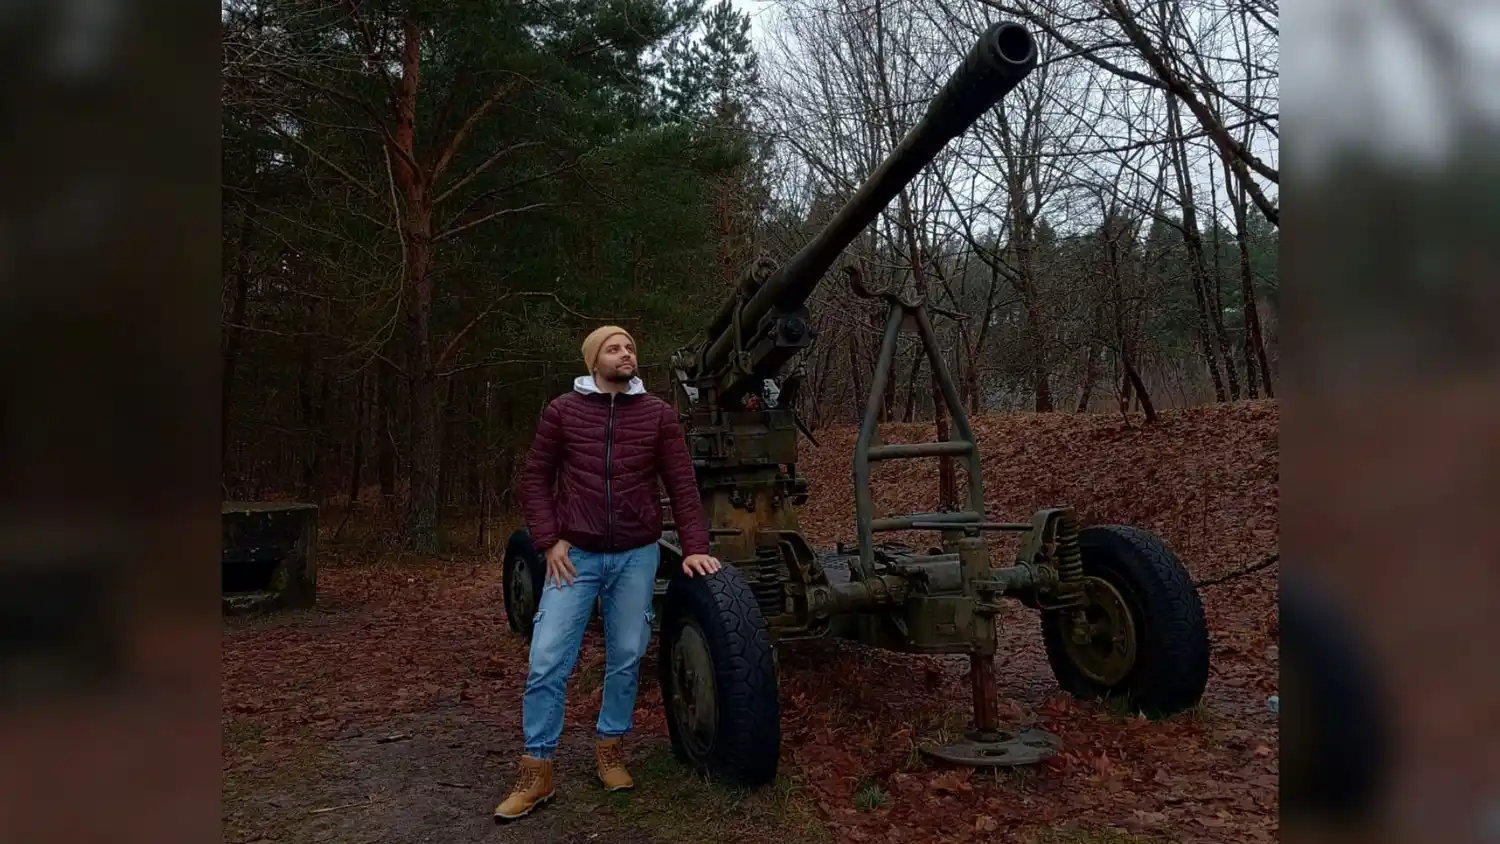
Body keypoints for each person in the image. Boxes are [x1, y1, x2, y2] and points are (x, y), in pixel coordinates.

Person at [494, 324, 720, 822]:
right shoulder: (563, 412)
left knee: (627, 654)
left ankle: (610, 749)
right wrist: (548, 541)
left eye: (630, 348)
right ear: (594, 360)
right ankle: (537, 769)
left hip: (637, 554)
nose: (625, 354)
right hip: (576, 556)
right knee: (548, 657)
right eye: (614, 349)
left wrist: (694, 547)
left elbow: (682, 484)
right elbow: (536, 477)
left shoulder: (658, 415)